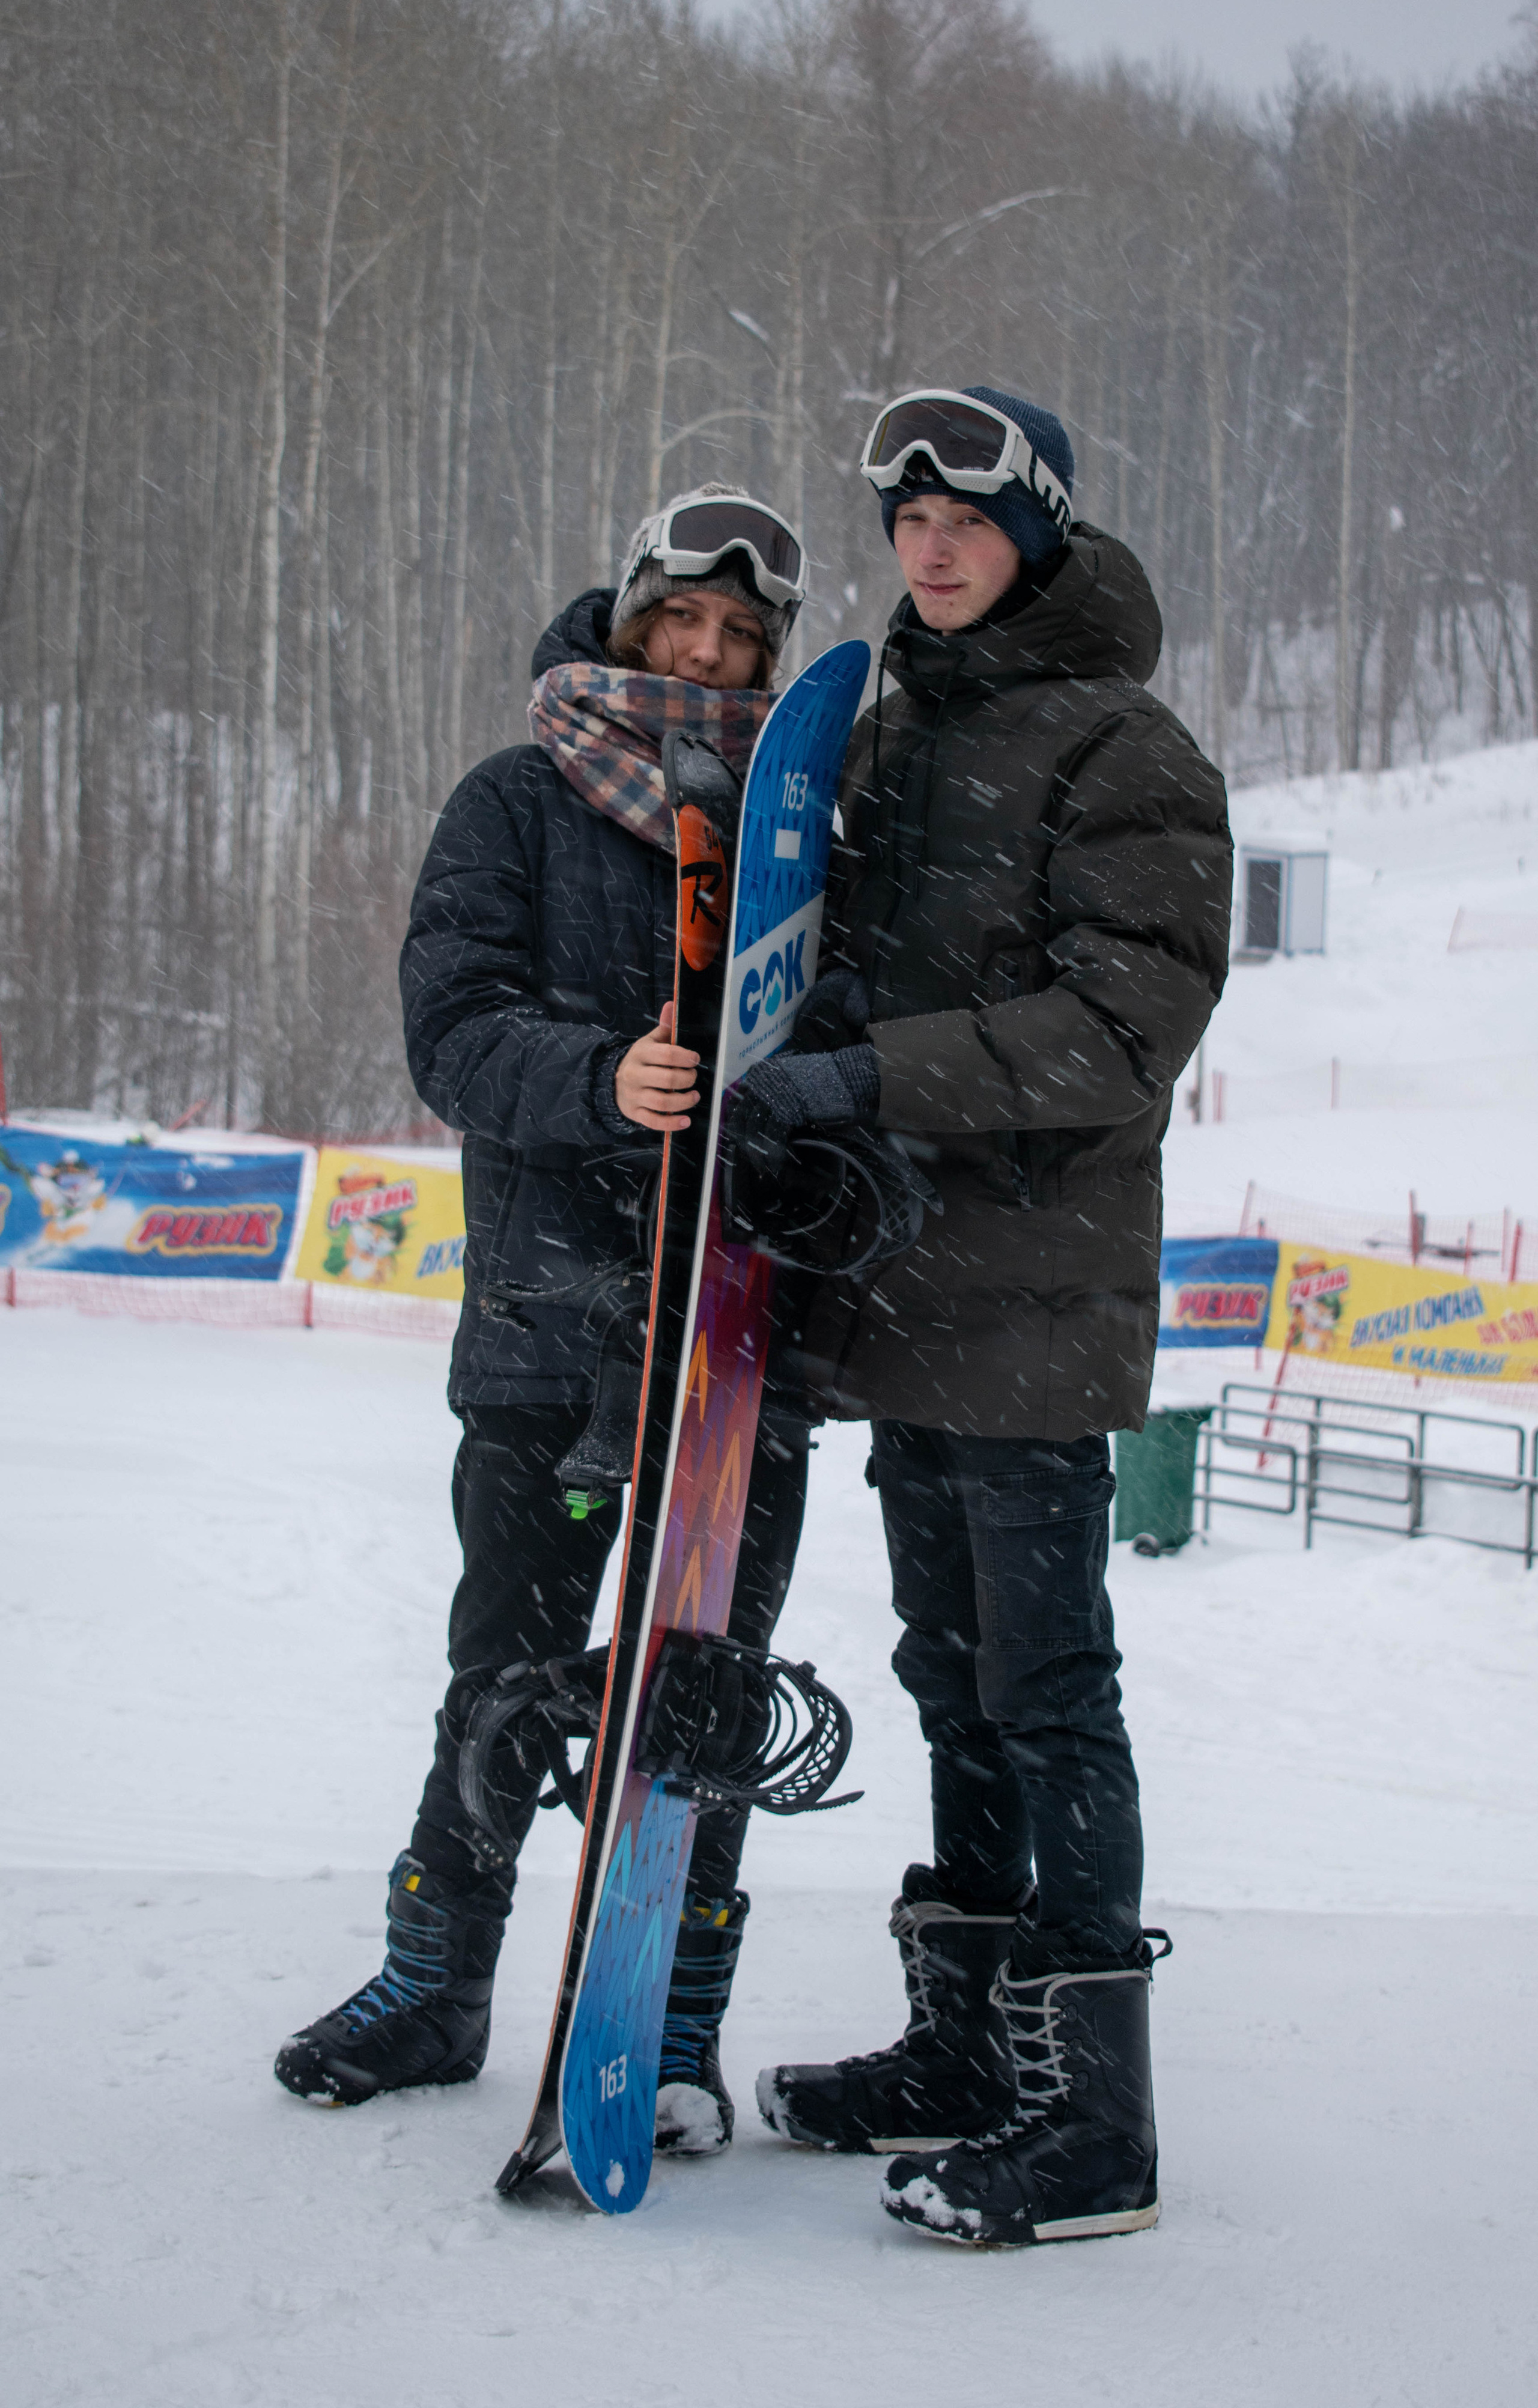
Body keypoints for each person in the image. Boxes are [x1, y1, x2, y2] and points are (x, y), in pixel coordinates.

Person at [736, 386, 1232, 2245]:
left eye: (966, 518)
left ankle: (1095, 2125)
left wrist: (864, 1083)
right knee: (951, 1683)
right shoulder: (883, 738)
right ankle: (963, 2048)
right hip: (906, 1298)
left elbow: (1121, 1037)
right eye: (905, 519)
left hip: (1034, 1302)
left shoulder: (1130, 748)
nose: (929, 548)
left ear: (1039, 531)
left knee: (1047, 1695)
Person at [275, 484, 812, 2155]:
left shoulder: (807, 828)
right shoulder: (517, 799)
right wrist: (605, 1078)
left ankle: (675, 2027)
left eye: (742, 639)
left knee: (706, 1694)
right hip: (544, 1324)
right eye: (685, 624)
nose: (709, 655)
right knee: (500, 1670)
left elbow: (842, 1054)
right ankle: (434, 1980)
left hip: (734, 1346)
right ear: (630, 611)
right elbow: (450, 1033)